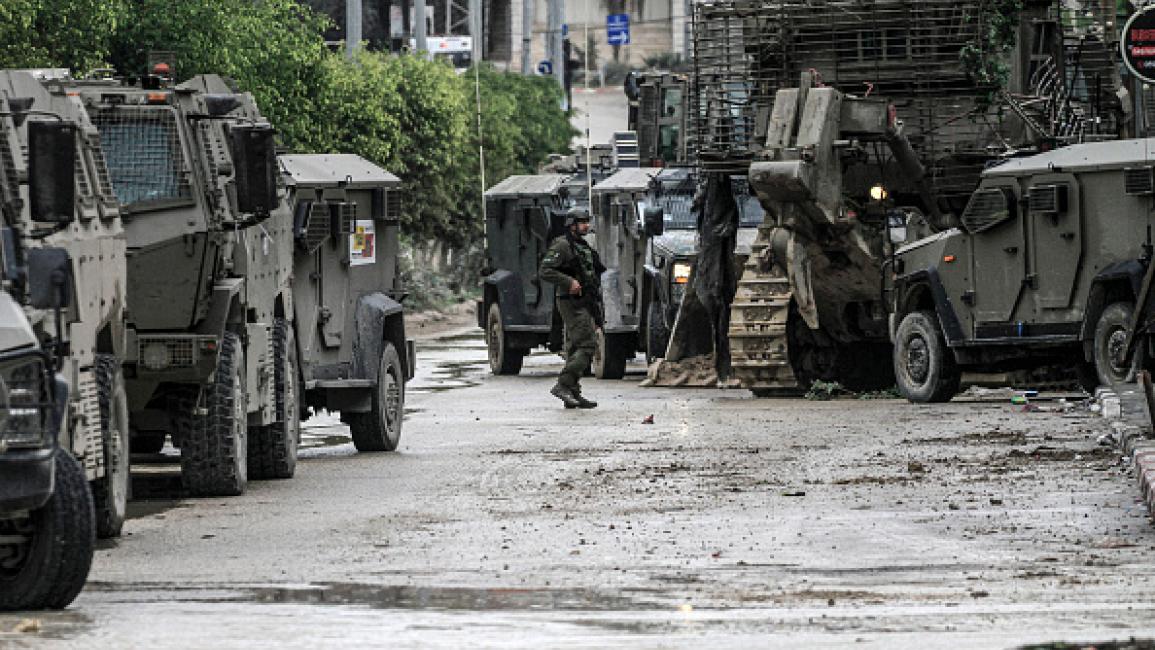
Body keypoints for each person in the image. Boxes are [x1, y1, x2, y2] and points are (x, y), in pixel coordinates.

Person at [539, 206, 606, 409]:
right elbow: (545, 270)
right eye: (582, 222)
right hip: (571, 300)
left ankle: (573, 393)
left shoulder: (581, 245)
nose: (586, 225)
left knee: (575, 347)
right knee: (588, 344)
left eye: (587, 222)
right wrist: (568, 282)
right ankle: (564, 384)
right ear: (572, 225)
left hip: (585, 299)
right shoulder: (562, 245)